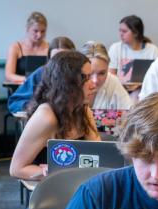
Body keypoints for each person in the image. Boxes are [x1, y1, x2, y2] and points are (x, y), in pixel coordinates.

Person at [9, 51, 100, 180]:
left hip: (75, 181)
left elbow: (98, 154)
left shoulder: (83, 110)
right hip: (53, 188)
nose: (93, 84)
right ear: (66, 83)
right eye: (84, 78)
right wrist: (46, 172)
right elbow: (16, 169)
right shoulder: (46, 117)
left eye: (90, 76)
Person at [7, 36, 75, 114]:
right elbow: (15, 102)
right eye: (55, 59)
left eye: (64, 58)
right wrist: (33, 107)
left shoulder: (82, 73)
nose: (59, 64)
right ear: (49, 59)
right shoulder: (42, 73)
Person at [108, 15, 158, 82]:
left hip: (144, 90)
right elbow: (111, 76)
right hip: (120, 89)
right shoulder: (115, 48)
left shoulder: (153, 50)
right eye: (120, 30)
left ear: (136, 33)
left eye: (124, 31)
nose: (121, 34)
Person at [80, 41, 132, 109]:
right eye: (89, 74)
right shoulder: (69, 85)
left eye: (102, 73)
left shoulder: (112, 81)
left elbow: (130, 109)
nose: (95, 80)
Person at [5, 11, 49, 83]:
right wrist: (30, 80)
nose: (39, 35)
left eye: (43, 31)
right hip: (21, 89)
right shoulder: (15, 47)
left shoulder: (50, 48)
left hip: (44, 90)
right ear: (27, 29)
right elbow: (9, 75)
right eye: (35, 31)